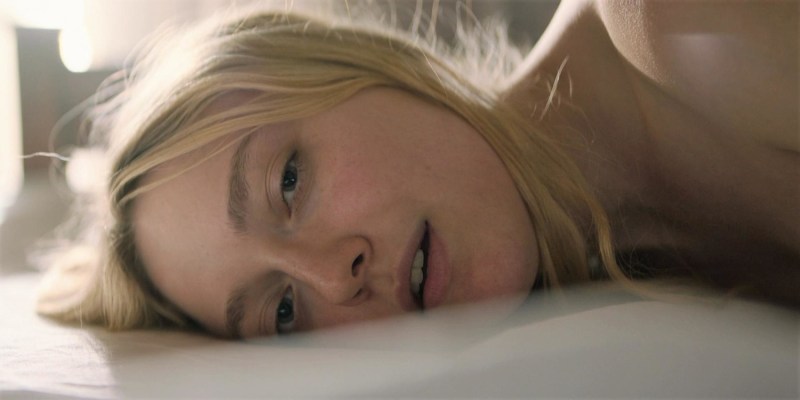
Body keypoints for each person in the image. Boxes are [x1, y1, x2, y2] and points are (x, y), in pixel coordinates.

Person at [36, 0, 798, 338]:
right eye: (284, 313)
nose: (333, 276)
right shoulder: (642, 273)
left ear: (359, 66)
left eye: (289, 182)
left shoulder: (677, 23)